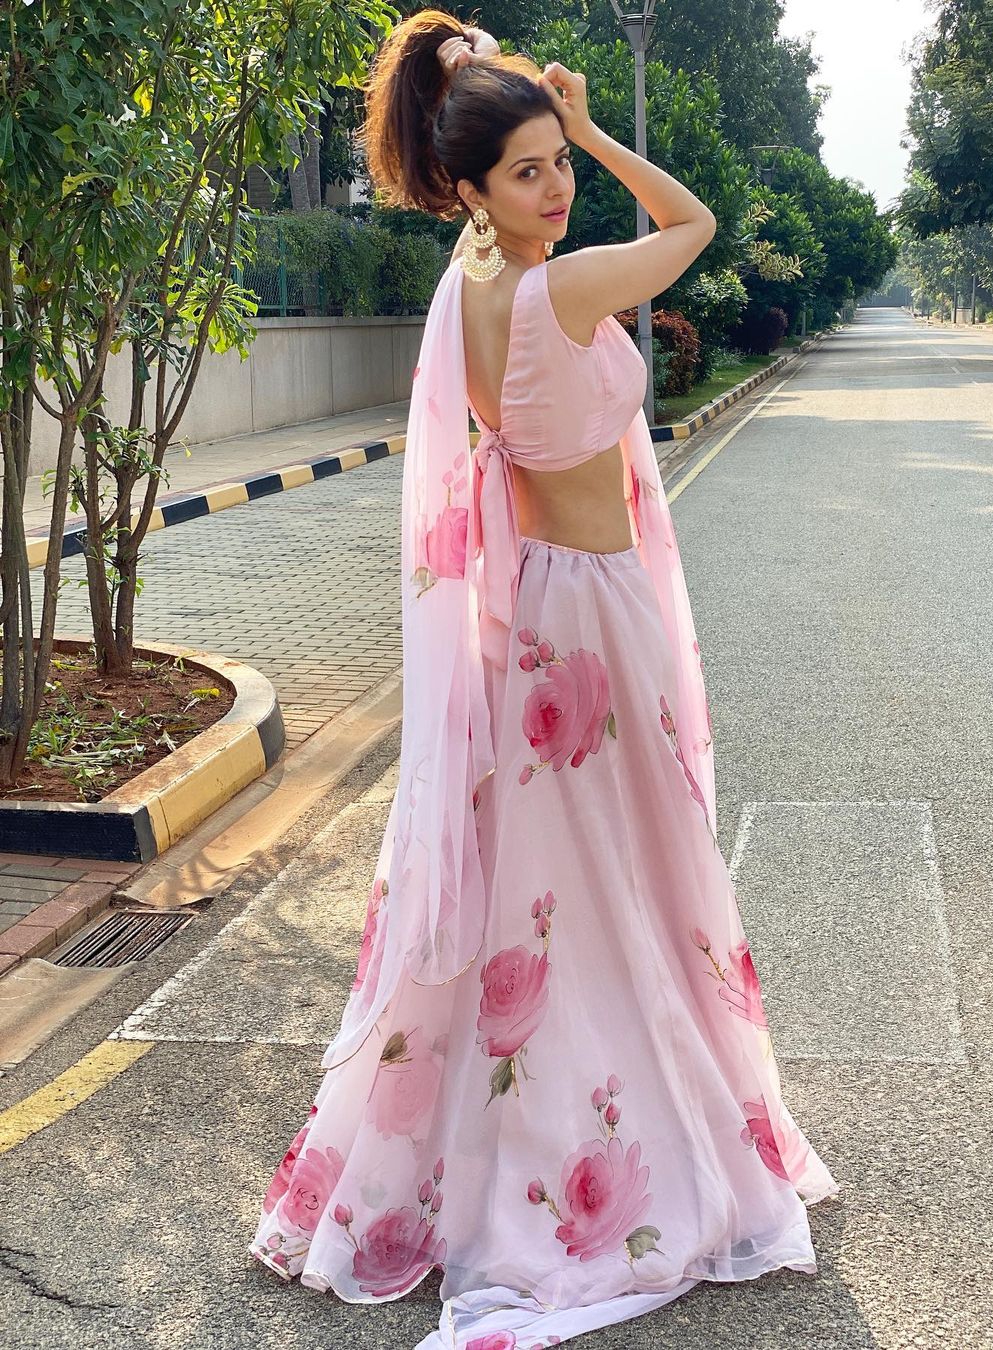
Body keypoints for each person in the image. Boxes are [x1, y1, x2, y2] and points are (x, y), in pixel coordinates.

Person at [247, 11, 839, 1347]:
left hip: (532, 619)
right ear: (471, 190)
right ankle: (620, 1127)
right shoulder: (553, 291)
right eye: (528, 171)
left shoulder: (470, 290)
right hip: (590, 621)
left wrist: (541, 124)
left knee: (552, 885)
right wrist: (596, 126)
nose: (557, 187)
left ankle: (508, 1133)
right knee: (627, 871)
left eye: (557, 163)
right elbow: (693, 225)